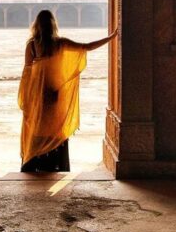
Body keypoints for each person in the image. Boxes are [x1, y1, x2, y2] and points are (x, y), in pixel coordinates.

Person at [18, 9, 117, 173]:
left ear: (37, 25)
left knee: (38, 126)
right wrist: (111, 37)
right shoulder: (60, 43)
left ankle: (35, 163)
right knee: (55, 127)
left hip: (37, 94)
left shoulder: (32, 45)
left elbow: (27, 73)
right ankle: (54, 163)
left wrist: (26, 98)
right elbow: (87, 47)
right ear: (53, 25)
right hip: (55, 93)